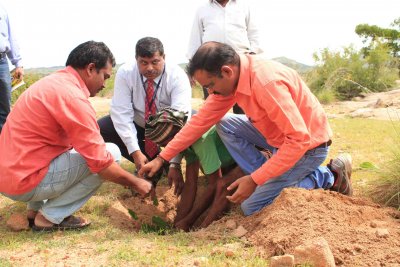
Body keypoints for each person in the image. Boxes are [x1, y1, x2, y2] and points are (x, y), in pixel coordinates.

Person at [139, 42, 353, 218]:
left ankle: (329, 176)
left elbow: (298, 141)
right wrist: (162, 158)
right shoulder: (236, 76)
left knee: (251, 207)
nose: (211, 92)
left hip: (308, 148)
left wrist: (254, 180)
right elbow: (199, 122)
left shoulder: (267, 84)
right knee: (224, 123)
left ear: (226, 71)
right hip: (278, 139)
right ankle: (269, 173)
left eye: (211, 85)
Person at [0, 41, 152, 231]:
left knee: (66, 149)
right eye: (104, 76)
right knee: (111, 153)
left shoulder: (51, 83)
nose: (105, 84)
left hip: (8, 176)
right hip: (25, 181)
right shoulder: (72, 96)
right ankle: (49, 218)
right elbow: (101, 164)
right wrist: (137, 182)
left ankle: (33, 212)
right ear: (90, 69)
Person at [98, 37, 192, 194]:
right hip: (139, 123)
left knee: (194, 122)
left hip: (167, 129)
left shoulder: (177, 76)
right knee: (103, 128)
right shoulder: (126, 73)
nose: (149, 68)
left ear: (164, 58)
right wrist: (135, 152)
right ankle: (147, 165)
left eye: (155, 62)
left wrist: (175, 162)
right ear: (136, 60)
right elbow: (121, 113)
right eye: (143, 62)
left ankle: (166, 162)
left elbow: (180, 122)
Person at [144, 107, 244, 231]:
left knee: (223, 186)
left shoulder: (199, 139)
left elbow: (215, 184)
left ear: (175, 137)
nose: (168, 149)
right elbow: (191, 183)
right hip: (231, 161)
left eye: (166, 145)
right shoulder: (187, 143)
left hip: (252, 158)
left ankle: (204, 230)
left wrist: (189, 220)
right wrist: (179, 221)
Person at [187, 0, 263, 114]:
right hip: (209, 68)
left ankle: (242, 131)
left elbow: (254, 34)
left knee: (244, 111)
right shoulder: (202, 9)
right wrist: (192, 69)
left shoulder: (244, 7)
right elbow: (194, 39)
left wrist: (253, 56)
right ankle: (213, 131)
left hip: (240, 67)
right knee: (212, 111)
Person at [0, 3, 23, 133]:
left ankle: (3, 145)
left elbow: (10, 36)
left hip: (1, 62)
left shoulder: (2, 10)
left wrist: (17, 63)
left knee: (4, 108)